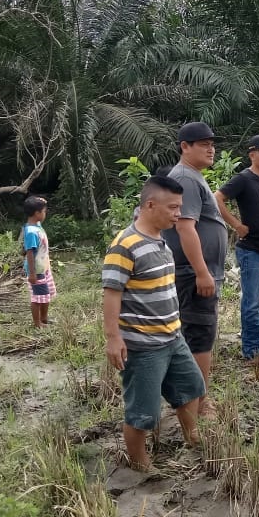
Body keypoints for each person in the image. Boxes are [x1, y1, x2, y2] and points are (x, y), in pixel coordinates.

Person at [103, 175, 205, 472]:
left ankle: (193, 437)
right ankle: (141, 464)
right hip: (144, 344)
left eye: (180, 207)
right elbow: (112, 292)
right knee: (143, 412)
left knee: (191, 388)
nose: (178, 214)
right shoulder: (125, 245)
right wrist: (113, 337)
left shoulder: (160, 240)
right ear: (150, 205)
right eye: (173, 208)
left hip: (173, 336)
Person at [161, 122, 227, 418]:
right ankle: (199, 403)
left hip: (196, 271)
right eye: (202, 144)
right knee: (199, 335)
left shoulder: (192, 176)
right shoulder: (186, 178)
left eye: (212, 143)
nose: (210, 148)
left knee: (196, 333)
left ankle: (192, 397)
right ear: (184, 147)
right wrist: (202, 271)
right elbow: (186, 228)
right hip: (192, 273)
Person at [214, 134, 259, 368]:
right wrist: (236, 224)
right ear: (252, 154)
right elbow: (218, 198)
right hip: (251, 250)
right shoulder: (243, 179)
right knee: (252, 301)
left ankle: (253, 340)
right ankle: (253, 351)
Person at [21, 196, 56, 327]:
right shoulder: (31, 232)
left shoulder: (36, 225)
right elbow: (29, 253)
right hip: (36, 270)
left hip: (43, 267)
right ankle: (37, 323)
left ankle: (44, 318)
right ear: (37, 213)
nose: (45, 213)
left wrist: (42, 202)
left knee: (45, 294)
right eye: (44, 211)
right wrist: (32, 274)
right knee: (38, 297)